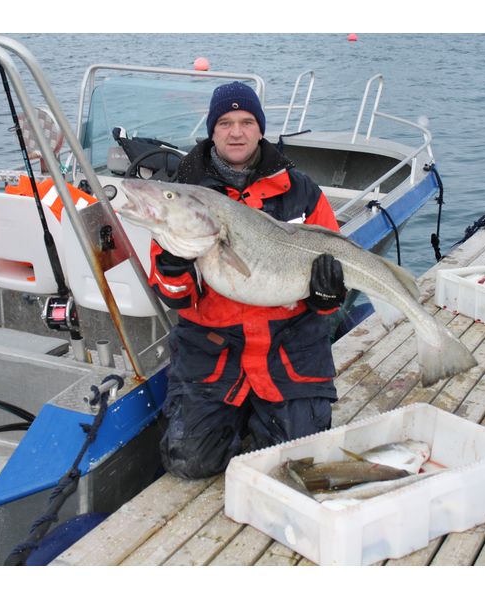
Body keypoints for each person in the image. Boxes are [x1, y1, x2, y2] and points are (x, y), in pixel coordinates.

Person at [147, 81, 347, 479]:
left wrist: (328, 295)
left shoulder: (301, 190)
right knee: (190, 463)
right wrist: (172, 268)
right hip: (213, 350)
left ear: (260, 129)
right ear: (212, 130)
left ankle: (262, 418)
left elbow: (331, 288)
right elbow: (177, 298)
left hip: (288, 346)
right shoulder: (184, 198)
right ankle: (234, 418)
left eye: (246, 121)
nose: (235, 132)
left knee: (297, 463)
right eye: (224, 123)